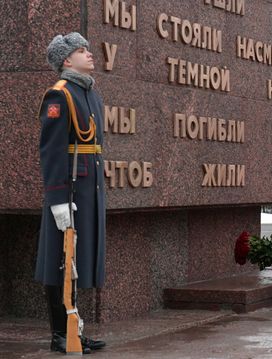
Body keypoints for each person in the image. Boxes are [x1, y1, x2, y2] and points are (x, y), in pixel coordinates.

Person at [35, 32, 106, 354]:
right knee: (60, 261)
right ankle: (60, 334)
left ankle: (75, 329)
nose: (89, 54)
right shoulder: (59, 95)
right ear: (66, 60)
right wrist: (58, 199)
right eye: (81, 51)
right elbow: (51, 151)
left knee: (78, 261)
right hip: (69, 191)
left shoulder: (89, 93)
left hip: (89, 188)